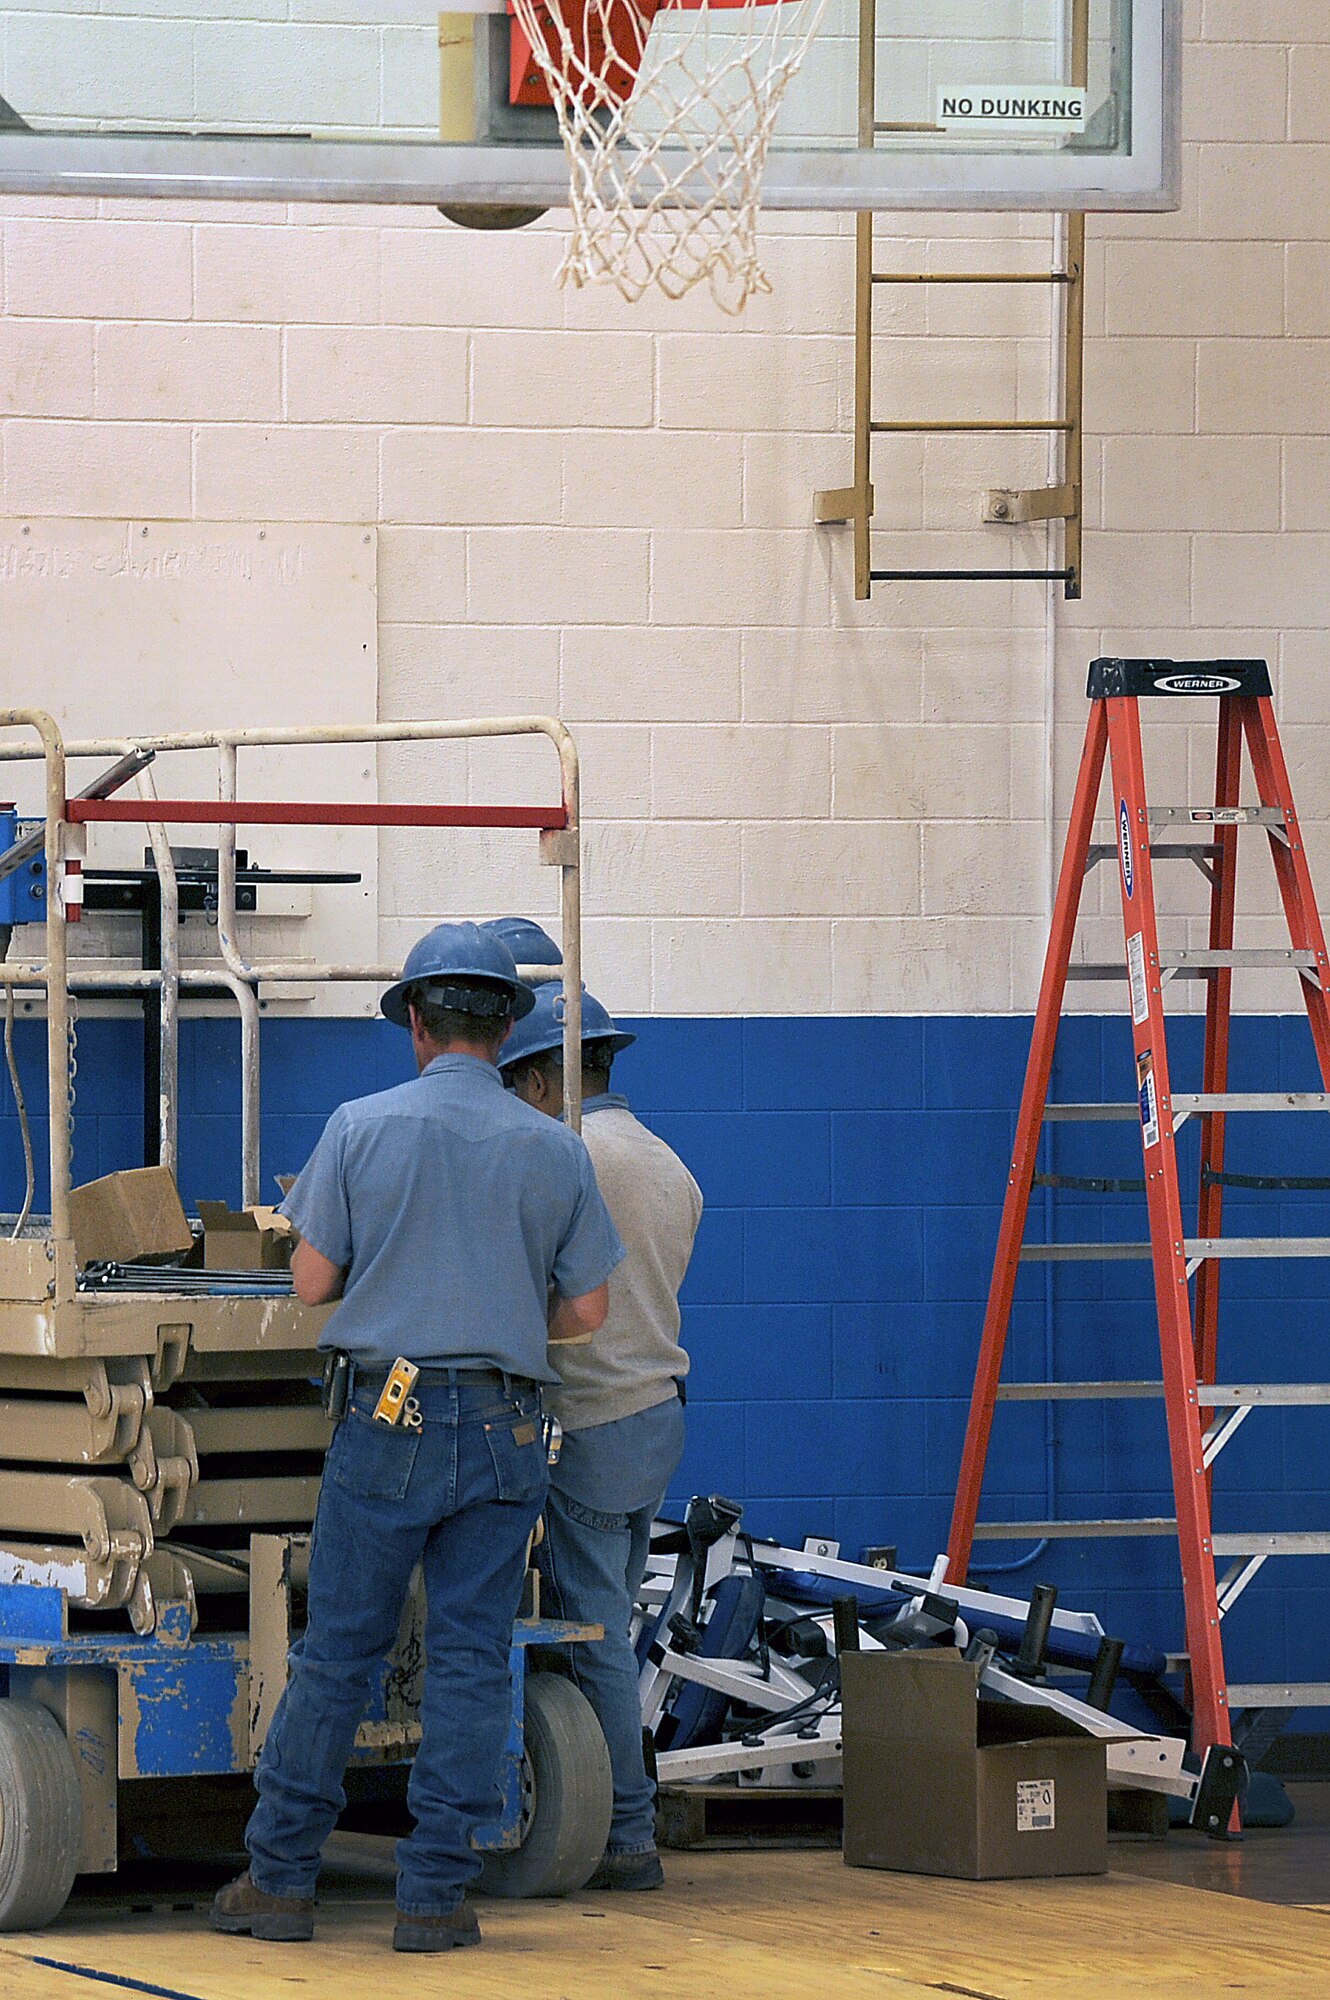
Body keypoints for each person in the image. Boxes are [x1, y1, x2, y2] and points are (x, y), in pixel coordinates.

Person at [210, 922, 624, 1954]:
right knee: (474, 1655)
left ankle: (281, 1878)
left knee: (338, 1652)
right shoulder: (555, 1149)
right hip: (505, 1425)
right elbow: (589, 1312)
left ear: (413, 1023)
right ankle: (434, 1893)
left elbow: (309, 1282)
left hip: (385, 1413)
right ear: (505, 1028)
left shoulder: (358, 1127)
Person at [499, 962, 702, 1892]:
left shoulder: (569, 1156)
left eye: (516, 1087)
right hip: (657, 1413)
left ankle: (626, 1834)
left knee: (592, 1635)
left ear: (542, 1078)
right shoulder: (670, 1164)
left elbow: (538, 1295)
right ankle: (625, 1809)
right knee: (611, 1617)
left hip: (590, 1422)